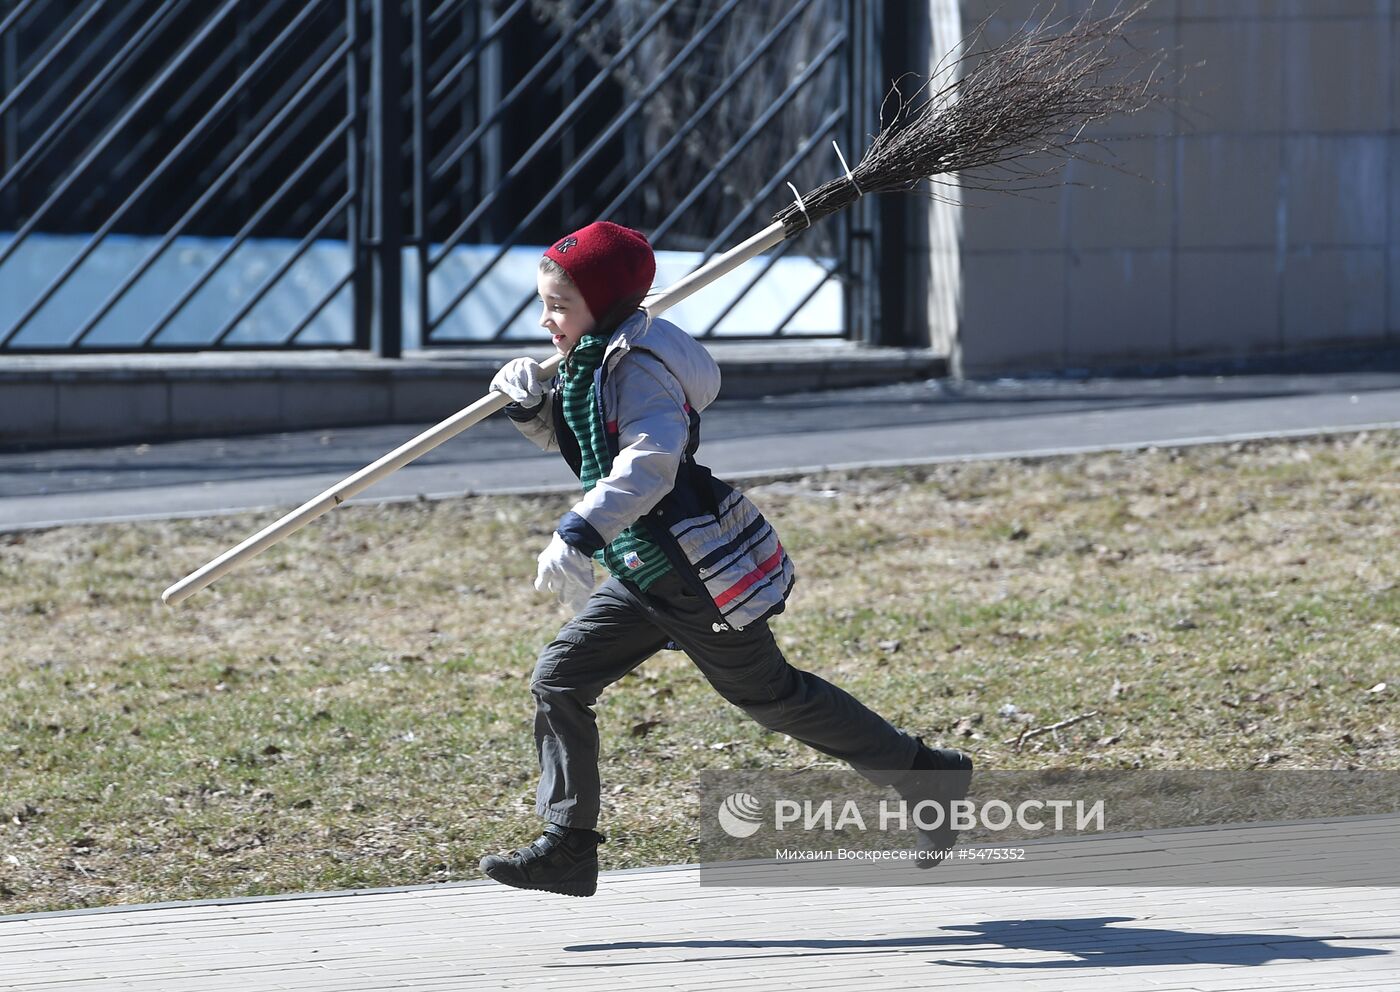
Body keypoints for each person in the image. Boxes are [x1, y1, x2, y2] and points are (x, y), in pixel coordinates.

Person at [478, 220, 971, 897]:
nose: (545, 319)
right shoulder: (598, 356)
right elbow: (587, 446)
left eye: (558, 304)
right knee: (559, 679)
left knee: (774, 698)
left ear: (602, 301)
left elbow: (647, 464)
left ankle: (928, 777)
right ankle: (569, 845)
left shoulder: (641, 369)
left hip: (690, 574)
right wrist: (533, 408)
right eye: (545, 304)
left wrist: (577, 531)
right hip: (641, 572)